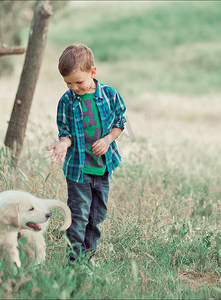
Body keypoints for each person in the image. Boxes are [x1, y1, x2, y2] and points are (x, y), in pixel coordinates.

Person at [47, 44, 127, 263]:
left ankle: (88, 257)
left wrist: (108, 139)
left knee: (96, 216)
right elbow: (66, 132)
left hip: (102, 169)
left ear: (93, 72)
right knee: (79, 215)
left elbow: (120, 123)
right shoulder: (66, 101)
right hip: (79, 171)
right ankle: (74, 260)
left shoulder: (110, 96)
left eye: (78, 82)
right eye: (68, 83)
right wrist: (63, 144)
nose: (74, 87)